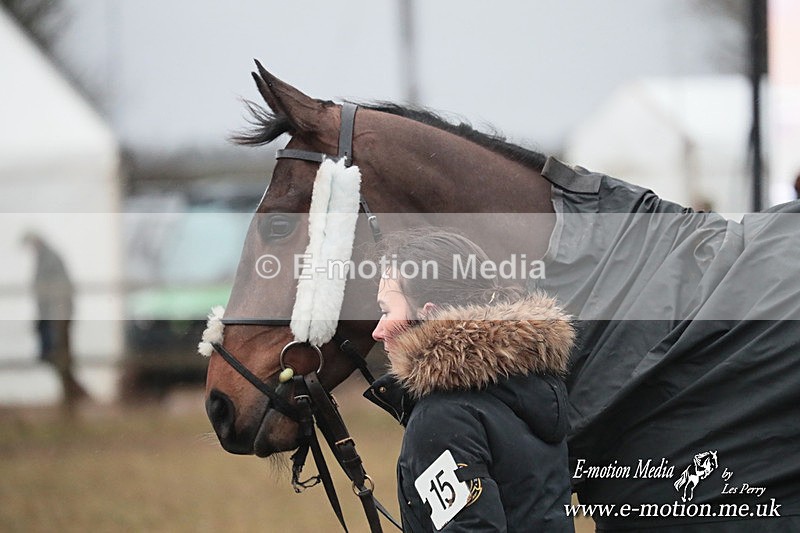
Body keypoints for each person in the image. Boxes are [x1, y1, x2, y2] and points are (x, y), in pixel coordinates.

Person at [363, 229, 575, 532]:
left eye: (386, 311)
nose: (378, 330)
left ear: (429, 315)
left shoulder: (441, 418)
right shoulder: (526, 390)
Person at [22, 231, 88, 413]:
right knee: (54, 355)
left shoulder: (49, 258)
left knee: (60, 355)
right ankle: (74, 392)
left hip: (58, 316)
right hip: (54, 315)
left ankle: (73, 395)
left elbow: (55, 290)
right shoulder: (46, 258)